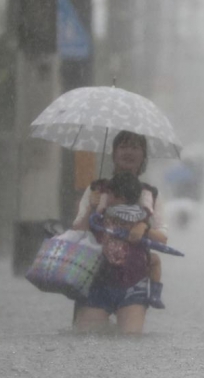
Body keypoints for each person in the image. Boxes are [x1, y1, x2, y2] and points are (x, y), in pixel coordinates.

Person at [71, 130, 168, 334]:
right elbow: (77, 232)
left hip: (134, 281)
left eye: (135, 147)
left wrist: (144, 228)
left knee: (130, 339)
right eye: (123, 146)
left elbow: (163, 238)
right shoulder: (96, 190)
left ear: (143, 156)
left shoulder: (150, 194)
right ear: (114, 154)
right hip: (95, 280)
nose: (129, 152)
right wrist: (90, 207)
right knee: (85, 339)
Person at [92, 172, 168, 309]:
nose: (106, 197)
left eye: (109, 194)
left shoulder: (108, 212)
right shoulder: (139, 214)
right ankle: (155, 294)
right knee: (155, 260)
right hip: (131, 261)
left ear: (118, 197)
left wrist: (96, 209)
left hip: (108, 258)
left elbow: (94, 225)